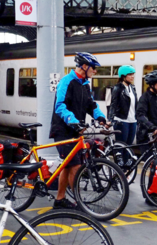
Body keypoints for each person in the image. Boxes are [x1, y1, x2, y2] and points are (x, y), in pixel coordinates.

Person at [49, 52, 110, 209]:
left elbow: (91, 105)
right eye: (94, 68)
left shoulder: (84, 84)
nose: (95, 71)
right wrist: (73, 121)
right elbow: (60, 105)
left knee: (69, 165)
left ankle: (59, 199)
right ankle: (79, 202)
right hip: (63, 129)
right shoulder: (66, 82)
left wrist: (101, 118)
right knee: (75, 166)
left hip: (75, 130)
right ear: (84, 66)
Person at [109, 65, 138, 167]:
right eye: (130, 74)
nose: (132, 76)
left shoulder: (132, 88)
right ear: (123, 76)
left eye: (133, 74)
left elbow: (135, 104)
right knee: (121, 146)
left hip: (132, 121)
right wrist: (110, 120)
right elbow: (113, 104)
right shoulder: (117, 88)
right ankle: (118, 169)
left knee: (128, 147)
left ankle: (126, 171)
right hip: (121, 120)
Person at [136, 70, 157, 156]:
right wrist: (152, 127)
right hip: (145, 136)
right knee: (150, 162)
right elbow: (140, 115)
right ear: (152, 84)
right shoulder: (145, 98)